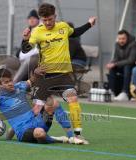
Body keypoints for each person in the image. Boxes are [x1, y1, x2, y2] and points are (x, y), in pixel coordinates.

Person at [21, 3, 96, 140]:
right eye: (45, 20)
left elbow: (76, 32)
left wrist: (89, 24)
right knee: (37, 109)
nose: (48, 22)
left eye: (50, 19)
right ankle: (20, 129)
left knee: (73, 100)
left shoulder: (63, 27)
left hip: (63, 75)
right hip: (44, 76)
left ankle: (77, 136)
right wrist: (25, 39)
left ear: (55, 16)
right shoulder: (37, 31)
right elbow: (26, 49)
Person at [0, 68, 84, 144]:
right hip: (24, 131)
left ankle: (71, 136)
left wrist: (36, 73)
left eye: (10, 80)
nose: (10, 83)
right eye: (6, 82)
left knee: (54, 103)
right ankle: (56, 139)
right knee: (40, 134)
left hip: (38, 121)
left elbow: (31, 80)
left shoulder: (19, 86)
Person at [106, 30, 136, 101]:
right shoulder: (117, 44)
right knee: (112, 68)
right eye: (119, 39)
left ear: (127, 38)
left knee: (127, 67)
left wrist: (115, 64)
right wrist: (111, 63)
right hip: (121, 65)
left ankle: (125, 93)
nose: (121, 41)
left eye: (123, 38)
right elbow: (116, 58)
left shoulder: (134, 44)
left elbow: (131, 60)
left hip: (132, 65)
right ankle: (112, 92)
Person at [13, 9, 40, 83]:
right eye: (30, 18)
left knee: (27, 62)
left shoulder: (40, 30)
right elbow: (24, 48)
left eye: (34, 18)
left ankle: (13, 85)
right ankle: (5, 83)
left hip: (34, 58)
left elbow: (36, 50)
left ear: (38, 20)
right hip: (24, 57)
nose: (31, 20)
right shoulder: (27, 30)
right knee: (9, 62)